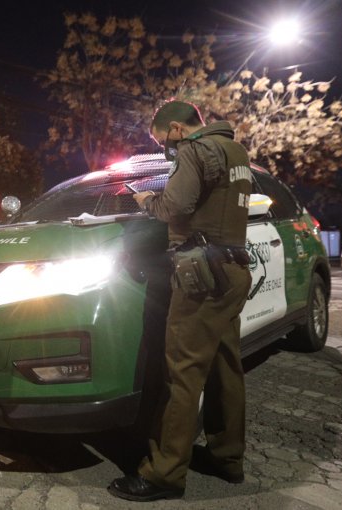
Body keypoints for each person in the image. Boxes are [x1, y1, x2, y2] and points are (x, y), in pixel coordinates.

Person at [107, 100, 253, 501]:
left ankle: (163, 474)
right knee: (225, 367)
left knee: (182, 373)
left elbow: (175, 205)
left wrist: (145, 201)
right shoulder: (234, 151)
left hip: (200, 275)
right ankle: (228, 458)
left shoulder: (194, 149)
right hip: (232, 269)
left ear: (175, 128)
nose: (165, 149)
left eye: (162, 141)